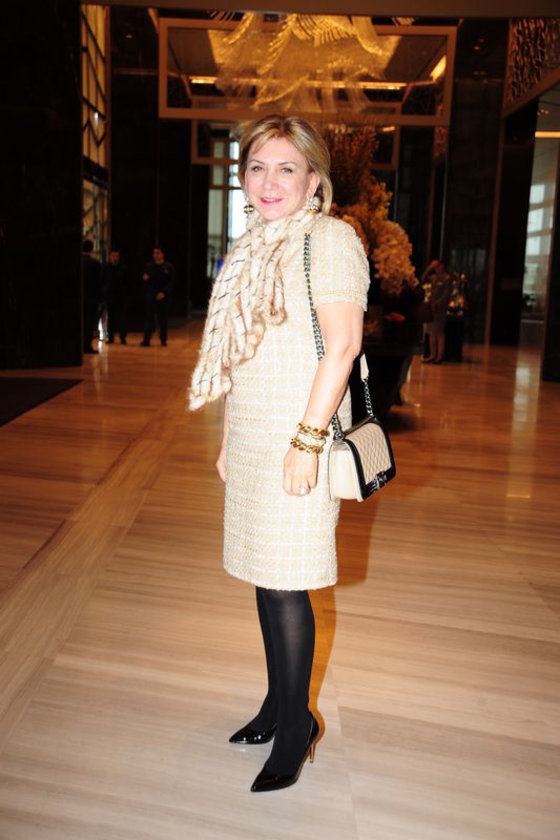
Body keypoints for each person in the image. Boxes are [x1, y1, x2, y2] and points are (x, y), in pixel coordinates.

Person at [189, 115, 369, 793]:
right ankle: (278, 703)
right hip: (256, 435)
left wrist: (307, 441)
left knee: (288, 582)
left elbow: (344, 346)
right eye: (257, 167)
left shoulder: (331, 240)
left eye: (286, 168)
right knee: (267, 576)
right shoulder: (250, 248)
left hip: (301, 436)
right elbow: (241, 352)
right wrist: (229, 438)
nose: (269, 182)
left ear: (314, 180)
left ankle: (297, 726)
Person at [141, 246, 175, 346]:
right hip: (151, 295)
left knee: (163, 319)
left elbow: (172, 282)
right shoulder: (149, 266)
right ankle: (146, 340)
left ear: (162, 254)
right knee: (149, 318)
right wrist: (145, 278)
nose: (156, 255)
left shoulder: (168, 266)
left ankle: (163, 340)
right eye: (154, 253)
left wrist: (164, 292)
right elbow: (145, 280)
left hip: (163, 296)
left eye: (158, 253)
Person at [420, 258, 452, 364]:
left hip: (440, 309)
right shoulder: (434, 277)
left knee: (439, 332)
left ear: (442, 266)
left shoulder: (447, 279)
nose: (436, 268)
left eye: (438, 266)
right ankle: (432, 355)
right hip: (431, 307)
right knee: (431, 332)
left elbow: (446, 295)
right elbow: (423, 279)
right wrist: (429, 268)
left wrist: (438, 304)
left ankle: (439, 356)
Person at [102, 248, 127, 344]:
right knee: (110, 317)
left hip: (120, 295)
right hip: (110, 296)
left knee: (121, 317)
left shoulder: (123, 268)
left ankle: (123, 337)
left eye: (116, 256)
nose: (115, 258)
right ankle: (111, 337)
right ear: (110, 256)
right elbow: (102, 281)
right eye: (113, 256)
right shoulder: (106, 268)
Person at [82, 239, 103, 354]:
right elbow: (99, 283)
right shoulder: (96, 264)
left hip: (81, 297)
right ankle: (87, 345)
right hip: (92, 298)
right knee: (90, 322)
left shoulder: (79, 262)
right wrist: (100, 299)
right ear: (92, 249)